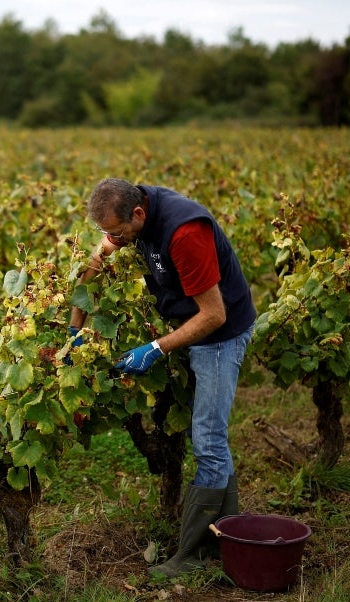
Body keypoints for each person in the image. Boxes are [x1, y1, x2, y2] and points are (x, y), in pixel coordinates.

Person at [68, 178, 255, 579]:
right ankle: (228, 537)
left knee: (207, 438)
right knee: (210, 438)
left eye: (118, 233)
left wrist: (156, 348)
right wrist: (75, 323)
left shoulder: (185, 233)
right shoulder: (132, 212)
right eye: (108, 232)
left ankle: (195, 556)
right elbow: (98, 258)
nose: (113, 241)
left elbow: (213, 316)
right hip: (186, 320)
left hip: (219, 334)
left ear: (138, 214)